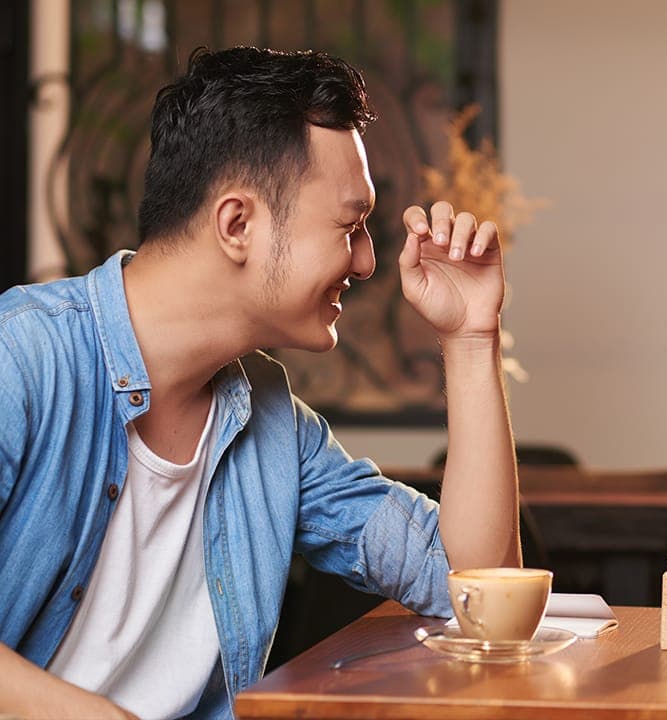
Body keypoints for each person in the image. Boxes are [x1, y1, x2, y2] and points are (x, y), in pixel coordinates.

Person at [0, 47, 520, 719]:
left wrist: (471, 337)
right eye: (350, 225)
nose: (366, 262)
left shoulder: (273, 423)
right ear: (238, 224)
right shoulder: (21, 359)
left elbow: (478, 590)